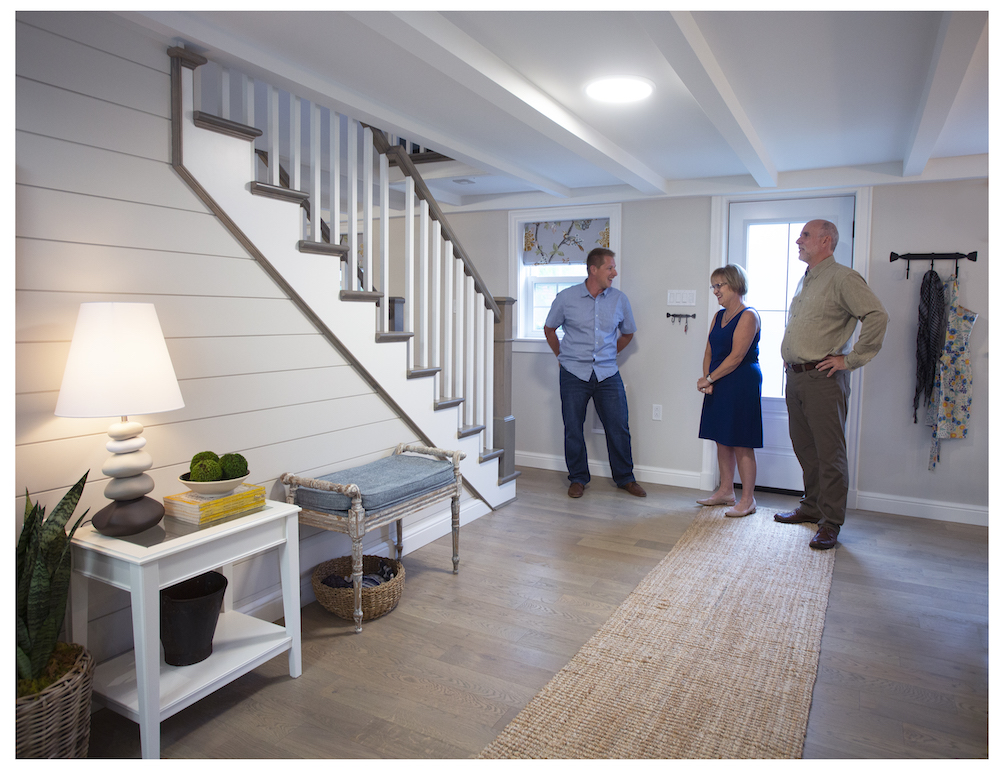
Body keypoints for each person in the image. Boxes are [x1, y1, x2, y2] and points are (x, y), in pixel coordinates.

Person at [776, 219, 888, 549]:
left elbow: (877, 315)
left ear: (826, 241)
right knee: (805, 448)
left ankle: (831, 522)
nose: (798, 240)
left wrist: (850, 359)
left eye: (805, 235)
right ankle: (811, 507)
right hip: (796, 378)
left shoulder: (843, 278)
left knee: (830, 453)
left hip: (823, 380)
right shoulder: (806, 280)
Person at [544, 247, 646, 499]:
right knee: (573, 428)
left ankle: (625, 478)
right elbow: (549, 329)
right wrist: (561, 357)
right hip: (573, 373)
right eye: (610, 268)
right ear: (594, 269)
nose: (615, 272)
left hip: (607, 373)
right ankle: (577, 478)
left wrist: (611, 355)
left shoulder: (619, 299)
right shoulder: (566, 298)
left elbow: (628, 333)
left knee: (618, 427)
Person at [695, 264, 762, 517]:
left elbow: (735, 358)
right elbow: (709, 350)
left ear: (734, 284)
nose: (715, 291)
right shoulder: (718, 316)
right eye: (713, 286)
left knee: (742, 441)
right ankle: (725, 491)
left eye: (719, 285)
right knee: (722, 438)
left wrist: (710, 377)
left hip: (741, 381)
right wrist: (708, 379)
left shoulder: (748, 316)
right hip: (719, 381)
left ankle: (748, 500)